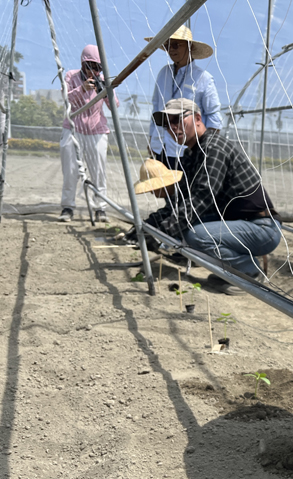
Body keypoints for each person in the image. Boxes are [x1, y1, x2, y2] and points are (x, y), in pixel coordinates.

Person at [135, 99, 281, 295]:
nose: (173, 128)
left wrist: (164, 233)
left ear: (197, 118)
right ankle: (231, 270)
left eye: (177, 120)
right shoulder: (192, 153)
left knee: (194, 234)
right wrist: (152, 227)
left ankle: (249, 271)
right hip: (240, 224)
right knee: (183, 224)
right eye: (168, 124)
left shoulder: (212, 148)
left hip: (261, 228)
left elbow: (202, 197)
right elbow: (182, 200)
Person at [146, 26, 221, 173]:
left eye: (175, 45)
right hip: (162, 148)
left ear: (189, 46)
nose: (171, 50)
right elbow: (156, 108)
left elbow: (214, 118)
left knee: (188, 193)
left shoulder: (203, 78)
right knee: (166, 193)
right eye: (167, 46)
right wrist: (152, 140)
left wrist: (206, 149)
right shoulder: (164, 73)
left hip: (188, 151)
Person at [58, 44, 119, 223]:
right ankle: (68, 207)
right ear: (82, 63)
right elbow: (65, 98)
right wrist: (83, 88)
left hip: (96, 131)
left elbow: (114, 106)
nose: (93, 70)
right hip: (73, 129)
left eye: (97, 67)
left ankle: (100, 208)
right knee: (70, 170)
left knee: (98, 171)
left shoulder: (104, 80)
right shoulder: (71, 76)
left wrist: (105, 91)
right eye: (90, 65)